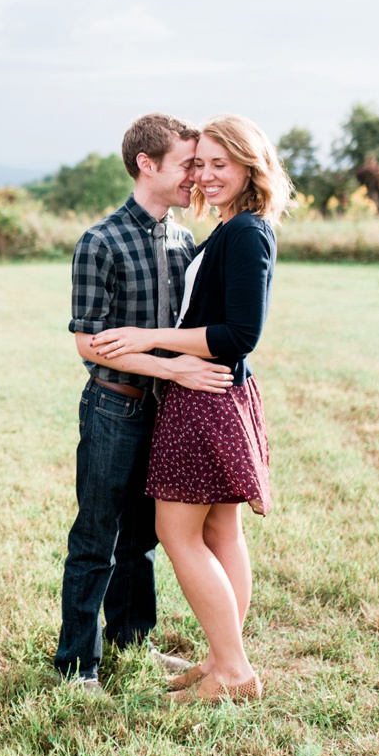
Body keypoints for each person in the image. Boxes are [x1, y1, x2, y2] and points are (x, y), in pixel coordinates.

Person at [90, 113, 294, 703]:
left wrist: (146, 335)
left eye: (219, 165)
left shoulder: (246, 231)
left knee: (177, 534)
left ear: (250, 167)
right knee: (220, 531)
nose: (205, 176)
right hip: (214, 392)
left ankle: (232, 671)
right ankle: (219, 659)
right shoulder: (236, 227)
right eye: (198, 164)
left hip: (206, 396)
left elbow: (238, 334)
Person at [55, 113, 237, 692]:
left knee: (144, 539)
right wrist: (170, 366)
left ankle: (133, 640)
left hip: (166, 409)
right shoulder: (101, 240)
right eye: (187, 165)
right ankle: (77, 665)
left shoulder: (184, 239)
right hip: (114, 407)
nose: (196, 177)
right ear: (147, 165)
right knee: (97, 537)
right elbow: (89, 341)